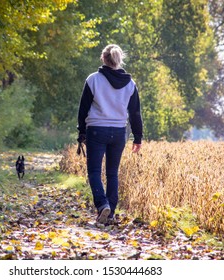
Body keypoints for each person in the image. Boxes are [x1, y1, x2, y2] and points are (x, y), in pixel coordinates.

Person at [77, 44, 143, 225]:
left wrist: (81, 131)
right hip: (119, 132)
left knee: (94, 172)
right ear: (118, 60)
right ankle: (111, 213)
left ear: (103, 58)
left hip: (96, 130)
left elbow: (83, 109)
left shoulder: (93, 80)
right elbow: (135, 113)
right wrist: (138, 137)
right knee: (112, 173)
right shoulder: (130, 83)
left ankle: (102, 205)